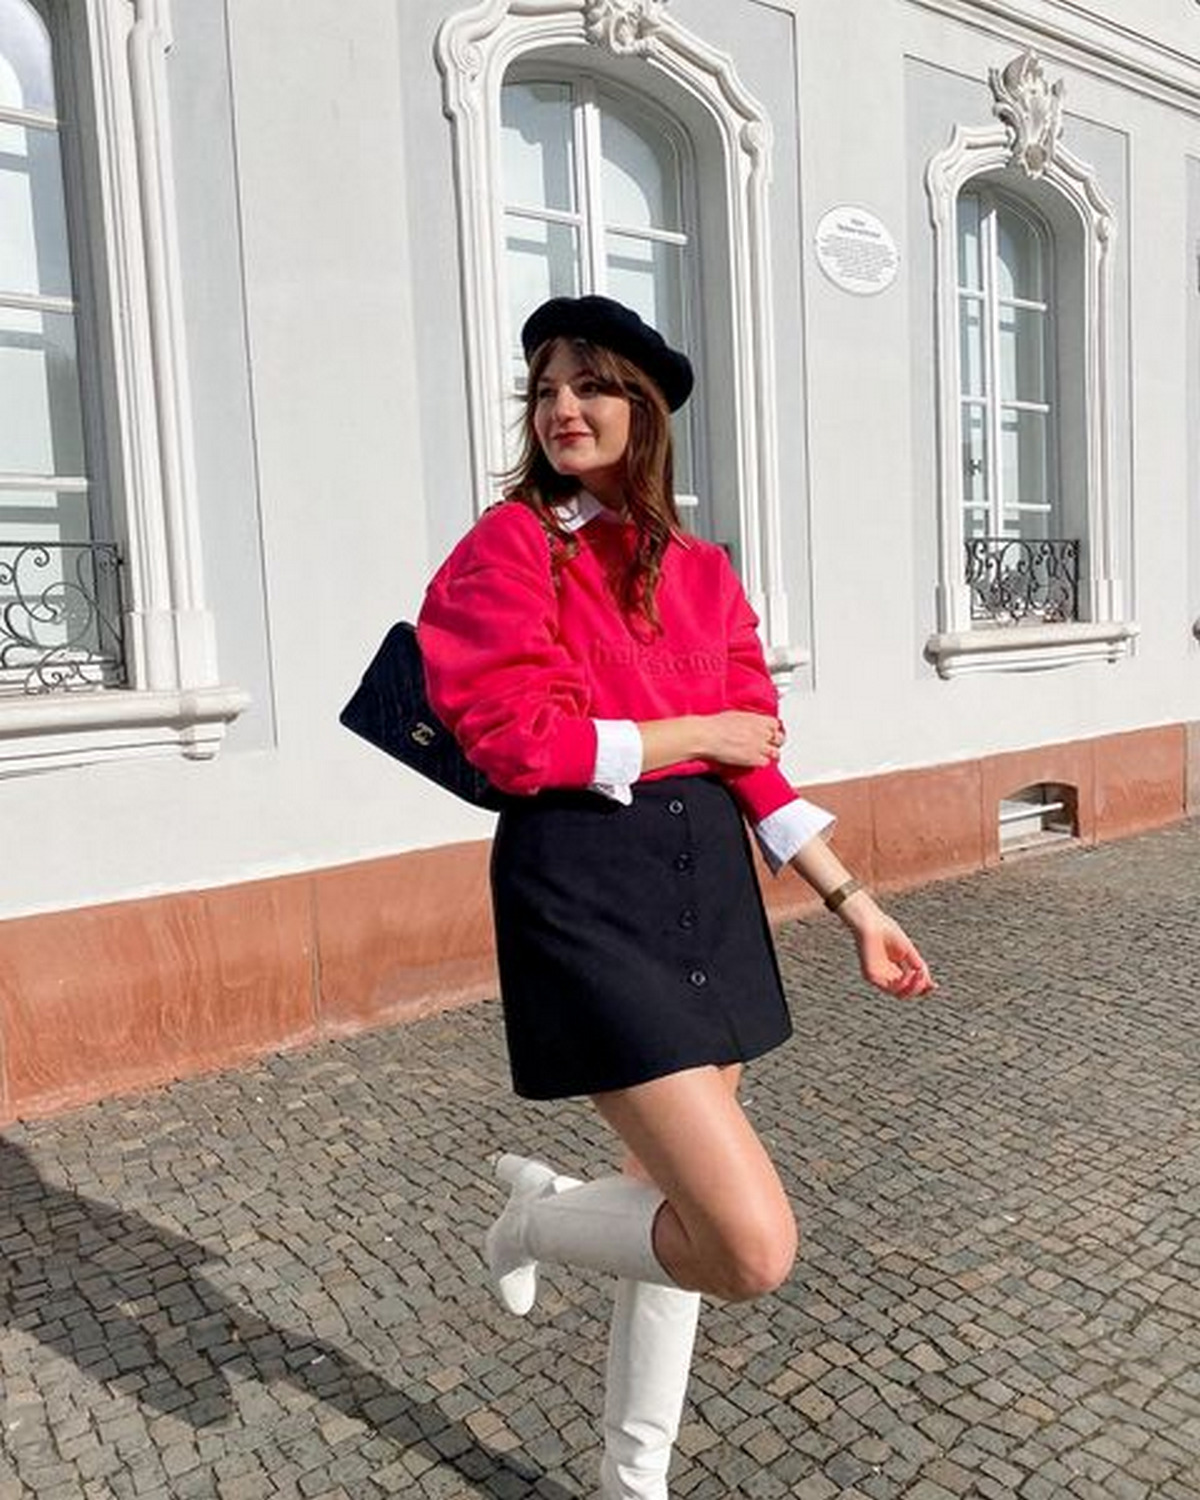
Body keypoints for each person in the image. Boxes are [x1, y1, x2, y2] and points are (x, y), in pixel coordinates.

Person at [417, 294, 934, 1499]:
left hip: (707, 889)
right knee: (750, 1247)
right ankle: (536, 1220)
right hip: (585, 892)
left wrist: (854, 901)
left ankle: (629, 1476)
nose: (561, 408)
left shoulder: (702, 570)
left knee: (674, 1209)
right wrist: (689, 727)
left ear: (643, 411)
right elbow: (517, 741)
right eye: (544, 387)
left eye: (589, 386)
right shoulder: (510, 547)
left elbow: (757, 757)